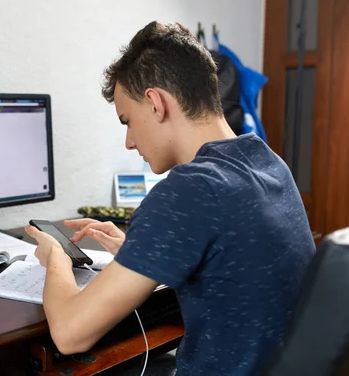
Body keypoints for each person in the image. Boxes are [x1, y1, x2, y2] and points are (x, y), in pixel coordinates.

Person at [24, 21, 316, 376]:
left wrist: (56, 258)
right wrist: (140, 250)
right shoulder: (268, 163)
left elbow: (70, 334)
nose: (129, 141)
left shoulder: (190, 189)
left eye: (126, 121)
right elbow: (235, 267)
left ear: (156, 103)